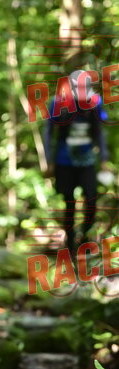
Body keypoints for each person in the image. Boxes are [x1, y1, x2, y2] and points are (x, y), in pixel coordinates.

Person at [44, 69, 110, 255]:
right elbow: (48, 131)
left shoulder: (95, 103)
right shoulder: (58, 103)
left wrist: (104, 159)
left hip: (87, 161)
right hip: (64, 161)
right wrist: (49, 161)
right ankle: (71, 245)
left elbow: (99, 131)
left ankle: (85, 238)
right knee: (69, 203)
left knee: (91, 199)